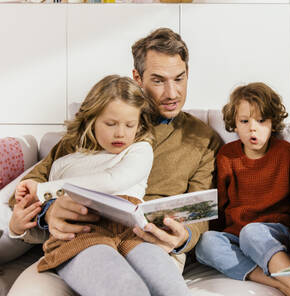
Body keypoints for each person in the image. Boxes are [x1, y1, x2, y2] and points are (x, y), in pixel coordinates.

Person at [7, 28, 222, 296]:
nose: (172, 92)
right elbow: (30, 188)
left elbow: (201, 211)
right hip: (81, 238)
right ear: (137, 78)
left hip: (149, 244)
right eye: (158, 80)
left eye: (179, 79)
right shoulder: (99, 122)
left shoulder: (201, 139)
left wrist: (183, 236)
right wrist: (49, 212)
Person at [10, 75, 192, 296]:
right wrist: (31, 209)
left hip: (134, 232)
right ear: (91, 119)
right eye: (110, 124)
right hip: (83, 233)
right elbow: (30, 203)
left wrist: (45, 190)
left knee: (172, 290)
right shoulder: (64, 160)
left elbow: (113, 180)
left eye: (129, 125)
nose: (120, 133)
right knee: (128, 290)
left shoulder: (140, 149)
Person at [195, 82, 290, 296]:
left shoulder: (288, 154)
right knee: (205, 243)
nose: (252, 128)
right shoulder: (227, 155)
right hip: (237, 235)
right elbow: (220, 203)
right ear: (235, 125)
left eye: (261, 121)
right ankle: (278, 283)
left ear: (273, 123)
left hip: (272, 233)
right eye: (244, 121)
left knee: (251, 232)